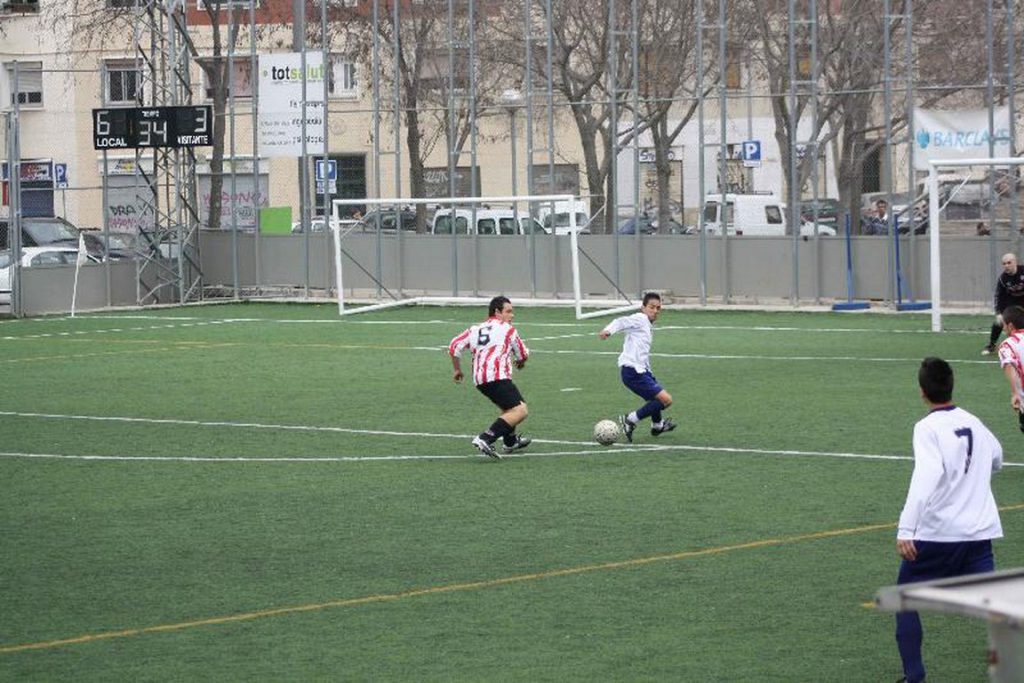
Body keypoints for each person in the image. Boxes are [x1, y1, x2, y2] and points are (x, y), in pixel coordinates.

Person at [893, 357, 1003, 683]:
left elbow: (926, 476)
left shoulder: (926, 428)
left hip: (939, 536)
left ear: (922, 392)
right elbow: (997, 457)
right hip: (979, 535)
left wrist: (905, 528)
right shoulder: (974, 421)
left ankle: (915, 676)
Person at [448, 295, 531, 459]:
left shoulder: (474, 329)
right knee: (520, 411)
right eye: (508, 311)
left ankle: (510, 441)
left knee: (509, 408)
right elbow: (522, 353)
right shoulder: (508, 329)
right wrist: (521, 361)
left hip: (480, 379)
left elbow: (454, 346)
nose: (512, 315)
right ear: (497, 312)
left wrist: (457, 370)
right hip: (497, 376)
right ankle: (485, 438)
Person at [598, 292, 676, 442]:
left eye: (658, 308)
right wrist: (608, 330)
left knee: (655, 399)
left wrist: (649, 373)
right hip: (632, 372)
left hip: (642, 371)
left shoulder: (646, 324)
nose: (655, 311)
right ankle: (630, 420)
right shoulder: (640, 319)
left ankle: (657, 426)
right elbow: (621, 321)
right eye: (652, 307)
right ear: (643, 308)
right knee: (666, 400)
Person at [982, 252, 1024, 354]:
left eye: (1009, 263)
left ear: (1015, 262)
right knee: (1000, 321)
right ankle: (991, 345)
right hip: (1011, 301)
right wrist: (999, 313)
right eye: (1004, 263)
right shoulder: (1003, 278)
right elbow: (998, 296)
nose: (1006, 266)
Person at [996, 304, 1024, 433]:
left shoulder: (1008, 345)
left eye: (1004, 325)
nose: (1003, 328)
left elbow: (1009, 365)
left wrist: (1015, 393)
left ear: (1011, 326)